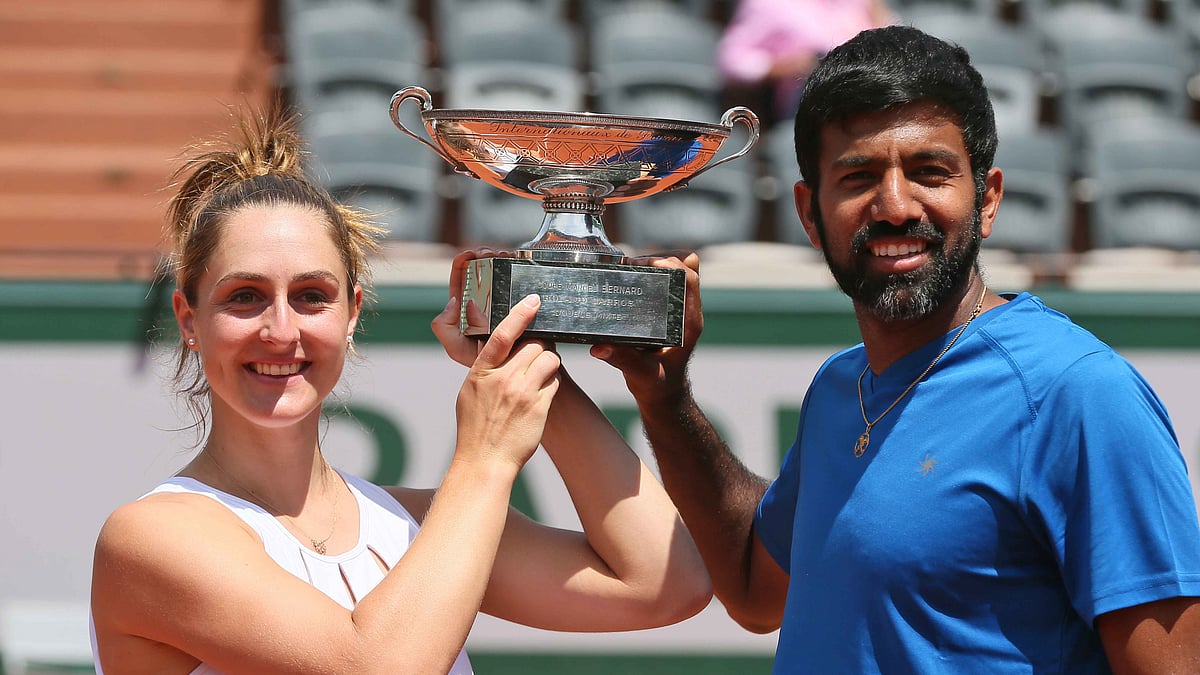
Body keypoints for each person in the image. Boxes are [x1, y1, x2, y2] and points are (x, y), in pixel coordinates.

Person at [591, 25, 1200, 672]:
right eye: (857, 177)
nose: (893, 205)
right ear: (808, 212)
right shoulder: (840, 388)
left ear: (987, 201)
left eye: (929, 172)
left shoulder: (1079, 394)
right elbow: (752, 588)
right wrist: (664, 396)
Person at [88, 109, 711, 674]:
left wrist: (527, 351)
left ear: (352, 313)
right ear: (189, 319)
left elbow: (664, 583)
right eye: (244, 297)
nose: (281, 331)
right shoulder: (151, 538)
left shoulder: (410, 523)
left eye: (312, 296)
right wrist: (487, 458)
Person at [716, 0, 895, 125]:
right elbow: (731, 58)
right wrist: (781, 67)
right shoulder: (768, 3)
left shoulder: (857, 2)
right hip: (807, 100)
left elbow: (895, 45)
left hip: (871, 92)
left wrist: (878, 13)